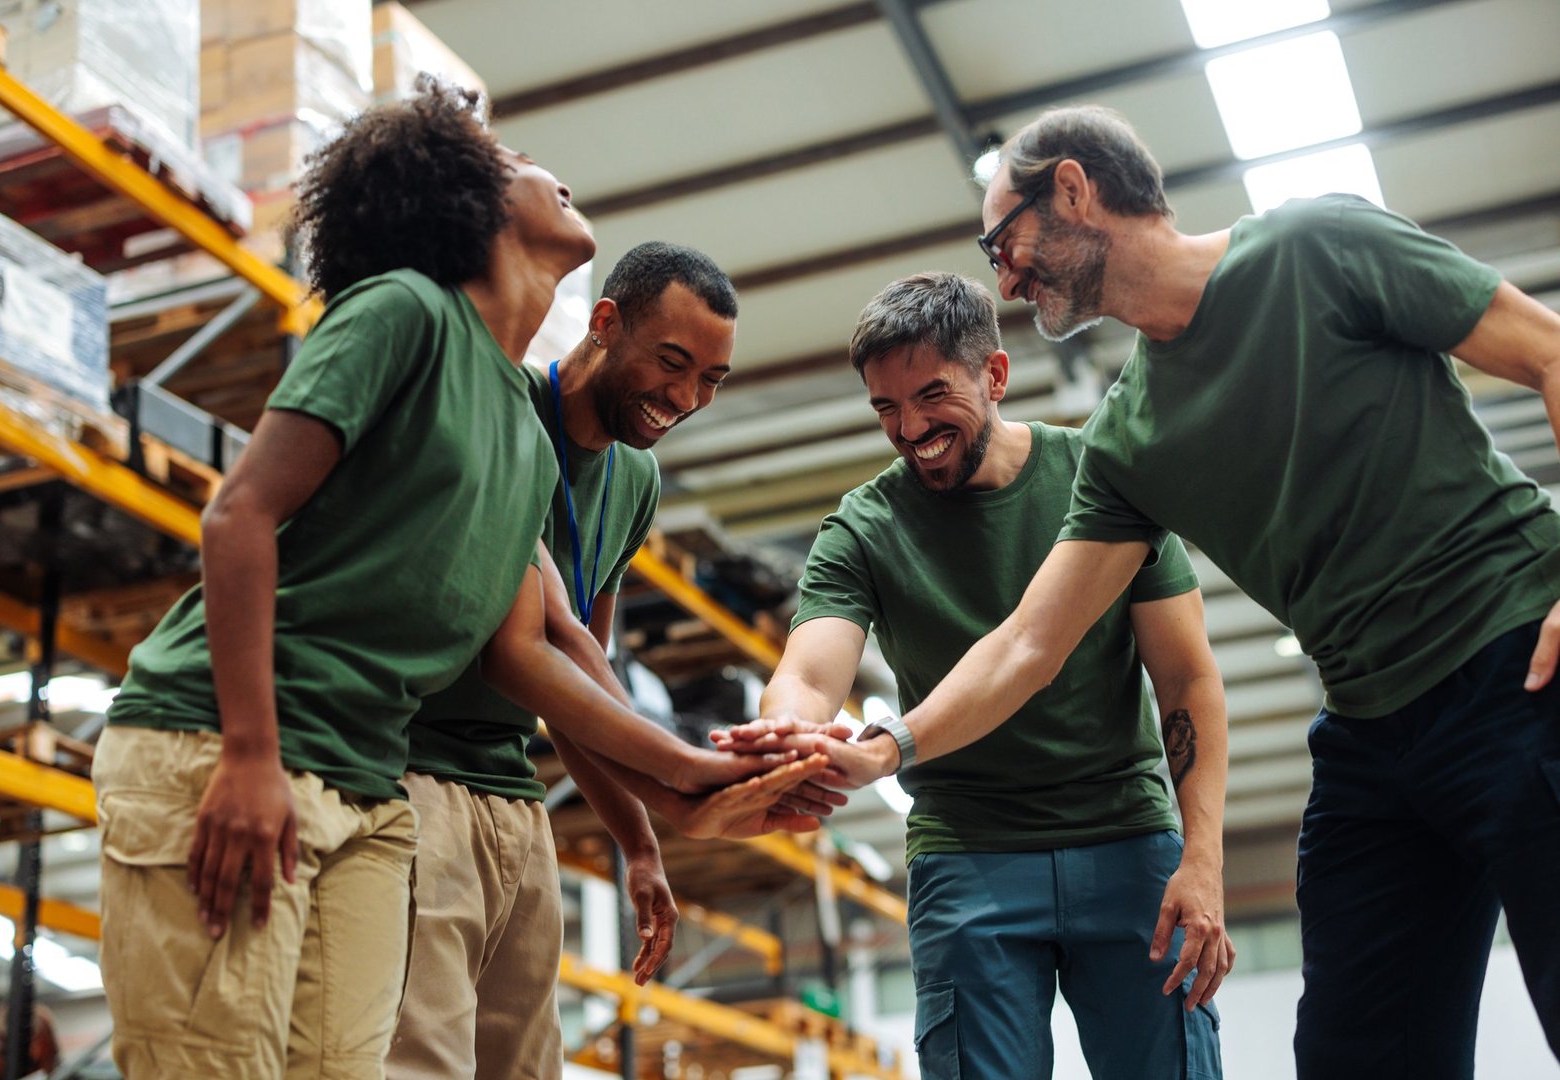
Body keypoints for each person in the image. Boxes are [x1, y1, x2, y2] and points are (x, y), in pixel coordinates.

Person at [740, 105, 1560, 1078]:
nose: (1003, 275)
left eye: (1005, 240)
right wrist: (882, 748)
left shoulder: (1313, 246)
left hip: (1518, 662)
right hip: (1372, 732)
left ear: (1076, 192)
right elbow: (1026, 646)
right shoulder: (1129, 440)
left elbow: (1548, 349)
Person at [92, 81, 817, 1080]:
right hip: (226, 743)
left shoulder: (520, 427)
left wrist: (688, 781)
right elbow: (236, 515)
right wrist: (250, 754)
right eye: (506, 161)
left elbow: (546, 643)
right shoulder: (405, 314)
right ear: (462, 203)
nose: (545, 169)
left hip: (362, 786)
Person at [716, 272, 1230, 1079]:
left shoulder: (1100, 479)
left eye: (930, 397)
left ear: (994, 375)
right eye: (886, 409)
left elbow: (1187, 681)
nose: (910, 428)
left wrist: (1201, 859)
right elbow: (810, 676)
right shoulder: (865, 527)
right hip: (967, 851)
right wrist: (789, 731)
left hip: (1128, 843)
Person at [387, 242, 837, 1079]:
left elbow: (587, 671)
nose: (687, 397)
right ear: (604, 324)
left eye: (712, 379)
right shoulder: (503, 408)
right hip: (414, 773)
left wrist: (639, 843)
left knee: (525, 1063)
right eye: (672, 363)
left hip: (512, 793)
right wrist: (684, 779)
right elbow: (527, 648)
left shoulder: (635, 480)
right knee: (422, 1058)